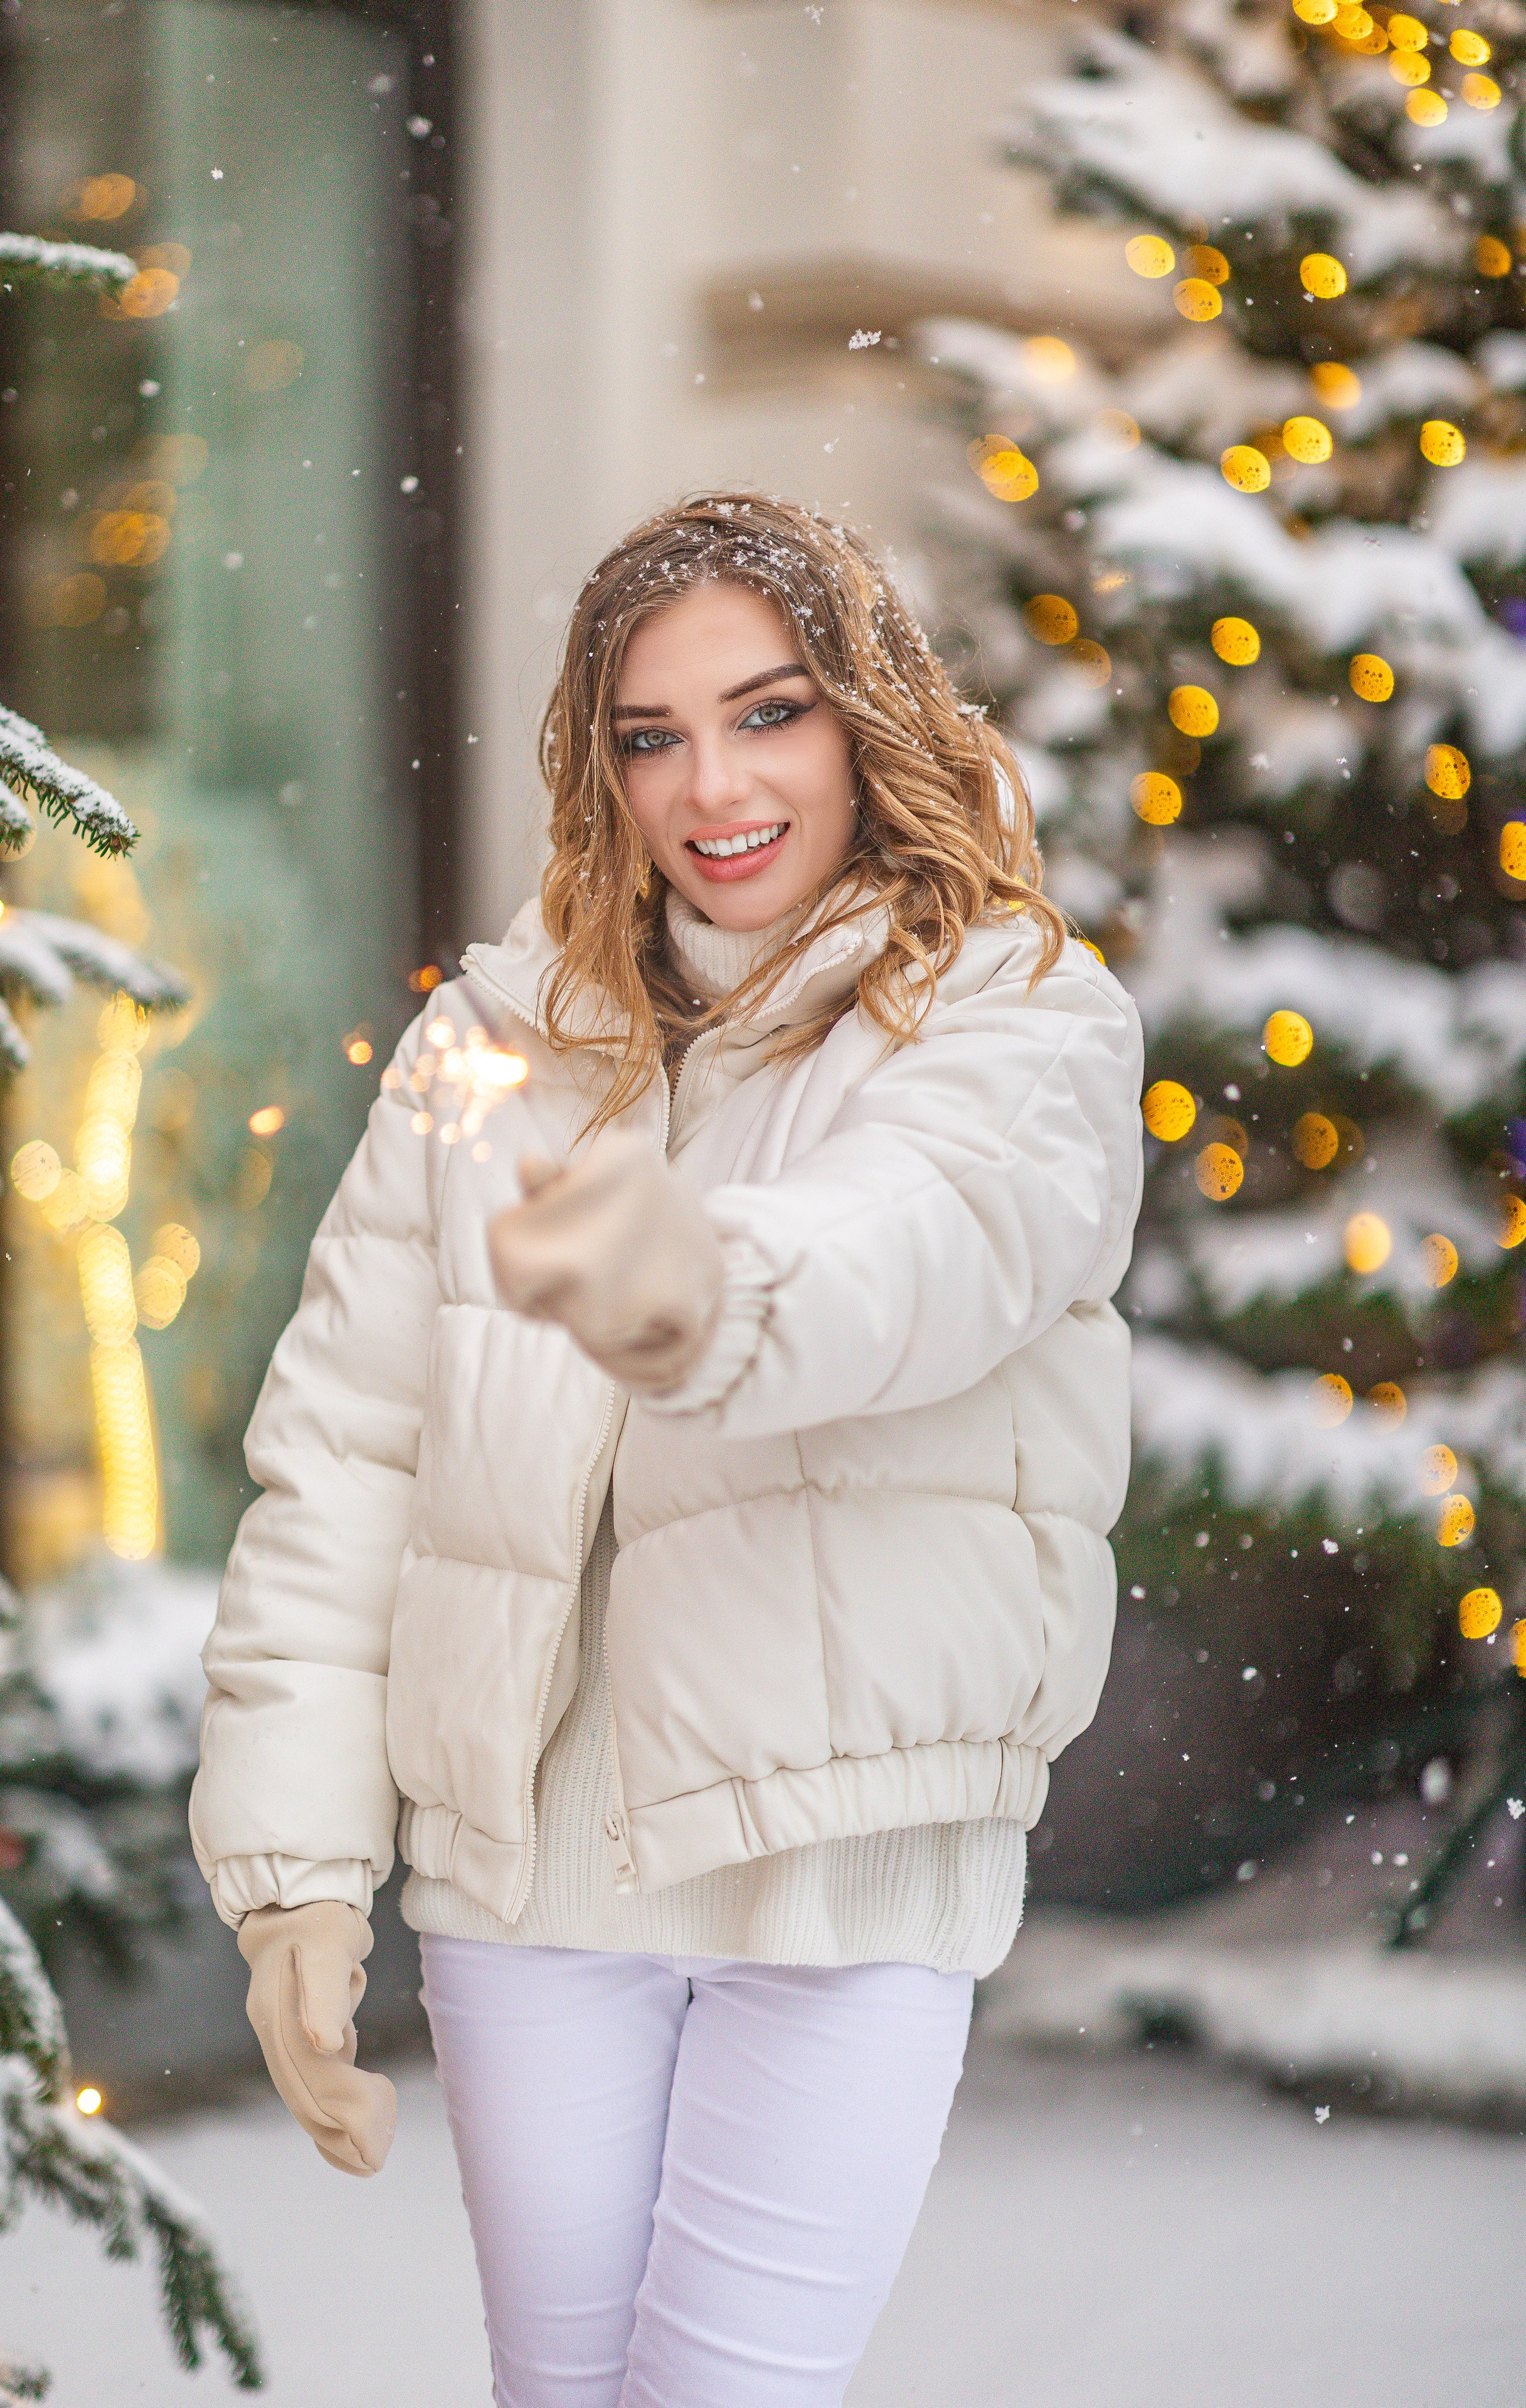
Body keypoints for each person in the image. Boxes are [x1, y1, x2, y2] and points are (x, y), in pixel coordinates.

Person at [190, 492, 1144, 2407]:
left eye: (769, 711)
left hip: (841, 1863)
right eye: (652, 733)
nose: (712, 782)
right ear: (597, 763)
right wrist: (297, 1863)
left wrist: (693, 1291)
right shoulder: (494, 1042)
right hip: (530, 1887)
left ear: (868, 721)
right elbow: (351, 1462)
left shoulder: (1018, 1017)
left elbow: (919, 1254)